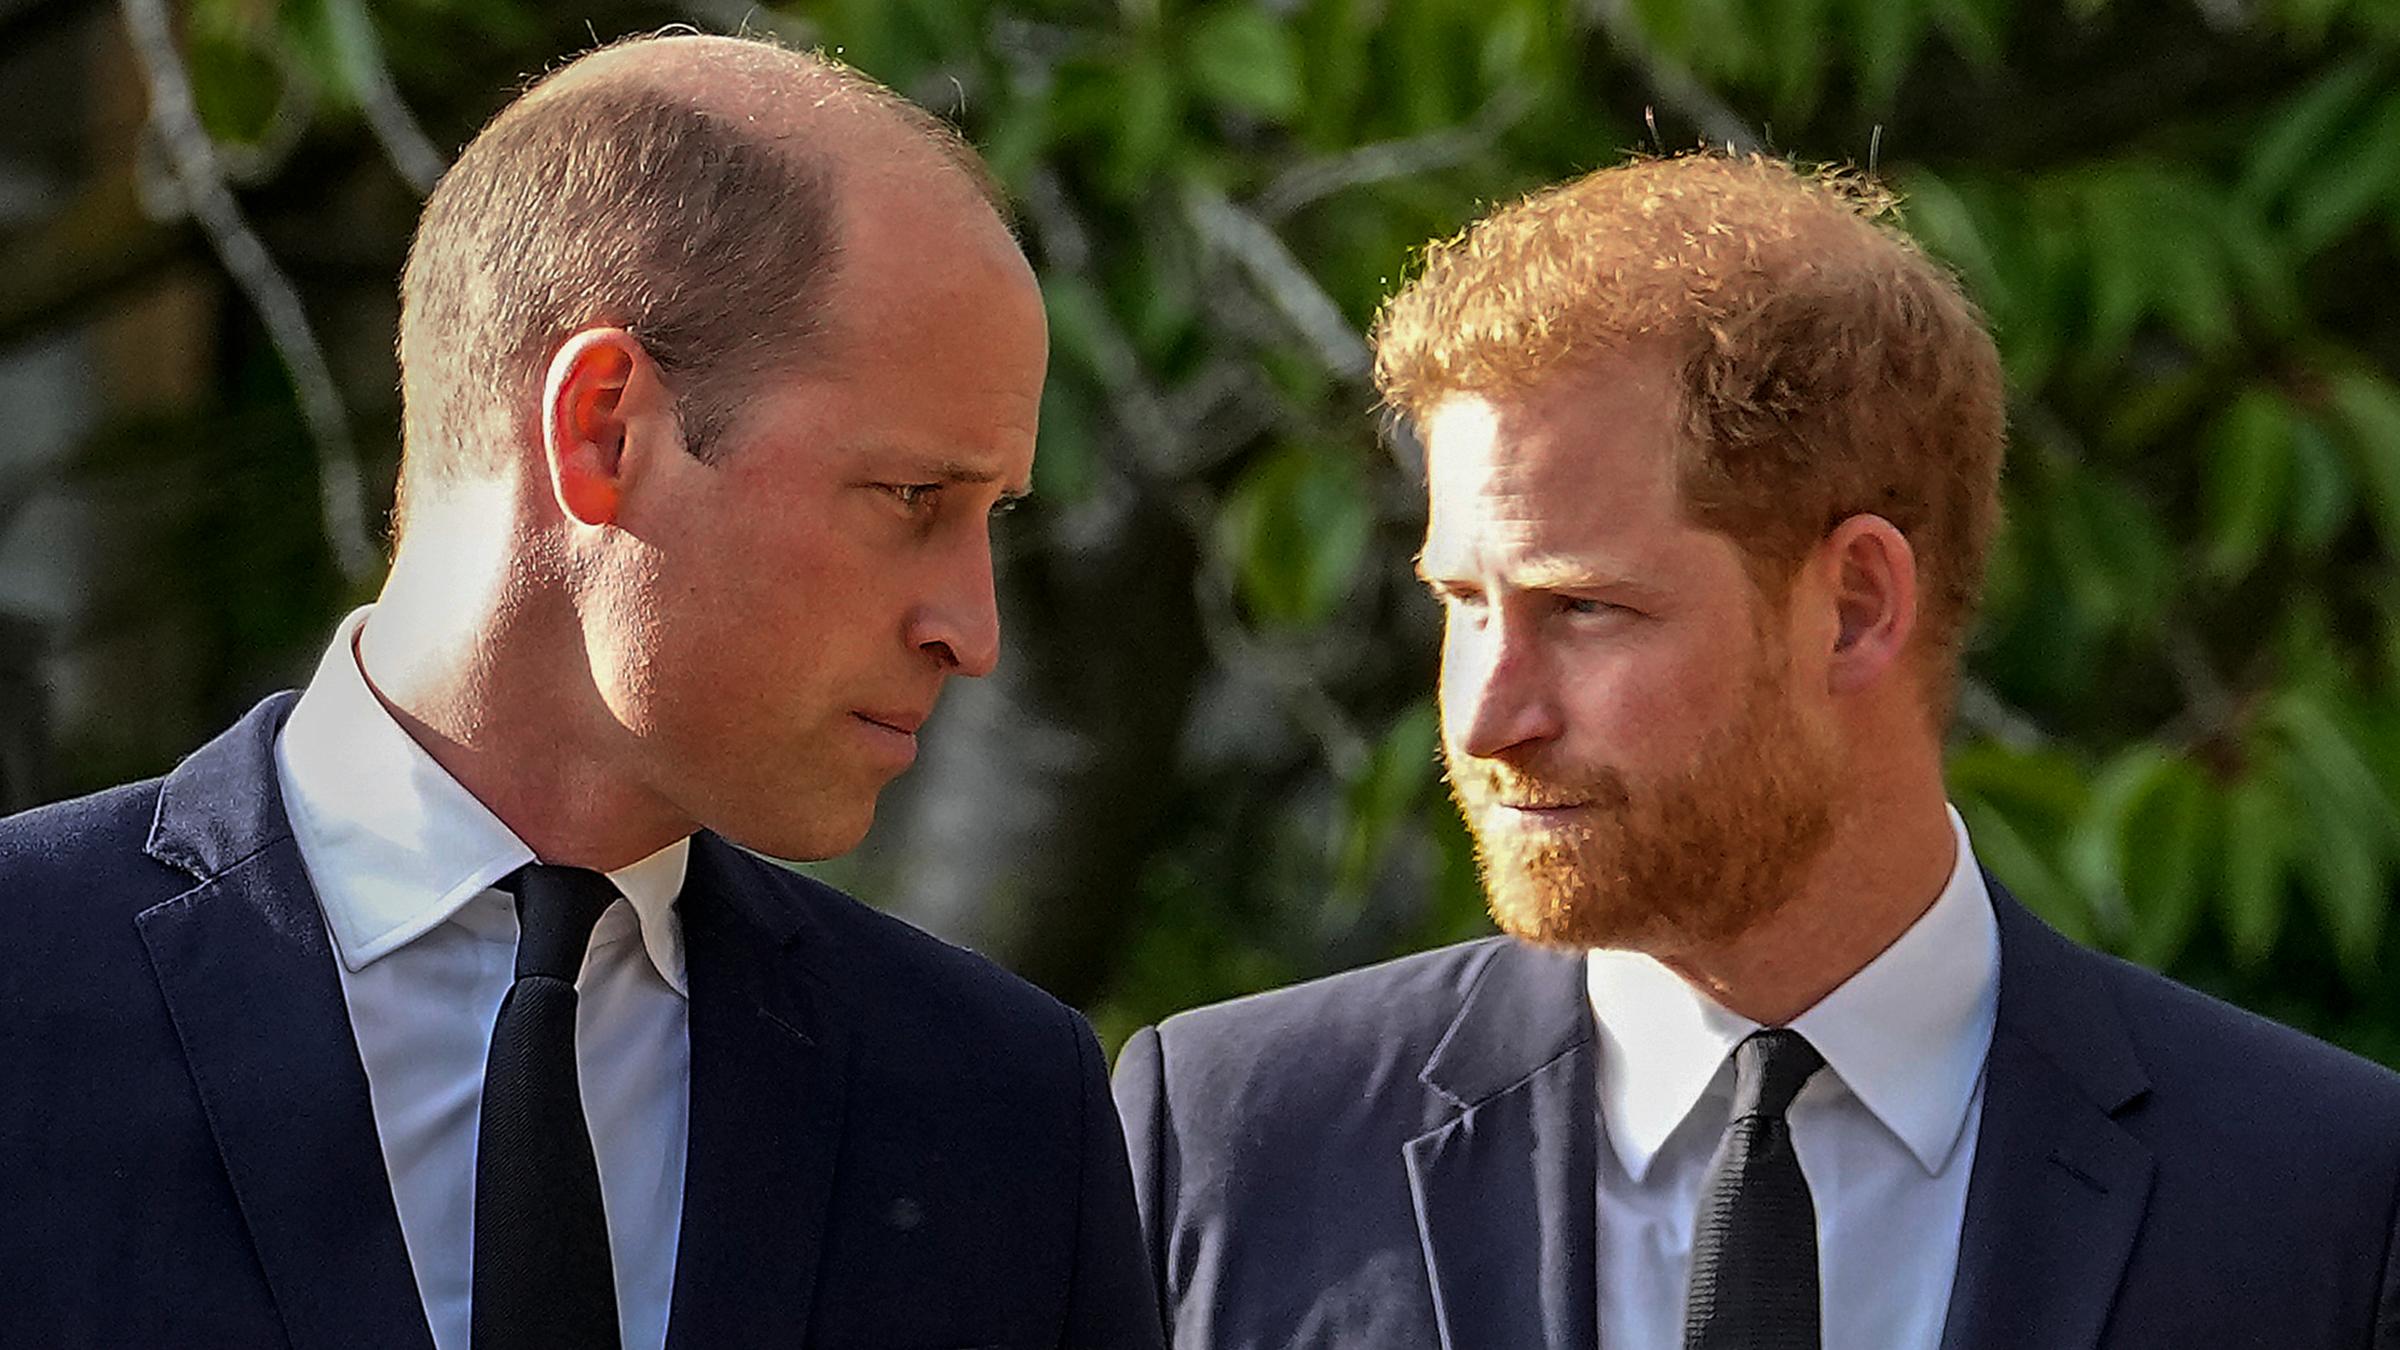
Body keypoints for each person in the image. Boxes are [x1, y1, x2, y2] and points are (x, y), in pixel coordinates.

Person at [1112, 153, 2400, 1349]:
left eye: (1584, 607)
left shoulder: (2319, 1194)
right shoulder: (1236, 1139)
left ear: (1855, 606)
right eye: (1461, 602)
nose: (1485, 719)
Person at [0, 33, 1160, 1350]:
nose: (975, 628)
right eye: (913, 498)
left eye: (993, 512)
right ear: (604, 427)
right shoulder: (24, 989)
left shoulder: (1000, 1111)